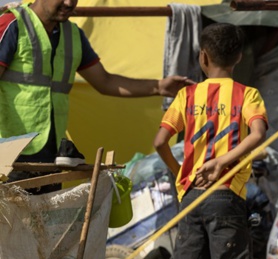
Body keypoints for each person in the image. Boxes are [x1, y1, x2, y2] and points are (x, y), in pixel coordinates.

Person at [153, 23, 267, 259]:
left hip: (192, 198)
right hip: (228, 197)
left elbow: (159, 141)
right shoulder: (247, 94)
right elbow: (258, 134)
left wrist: (181, 175)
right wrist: (225, 162)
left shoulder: (186, 96)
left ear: (203, 58)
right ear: (238, 58)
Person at [0, 0, 191, 191]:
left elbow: (105, 81)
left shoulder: (72, 35)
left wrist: (159, 87)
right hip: (9, 154)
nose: (69, 3)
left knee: (44, 219)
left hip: (51, 156)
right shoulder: (11, 24)